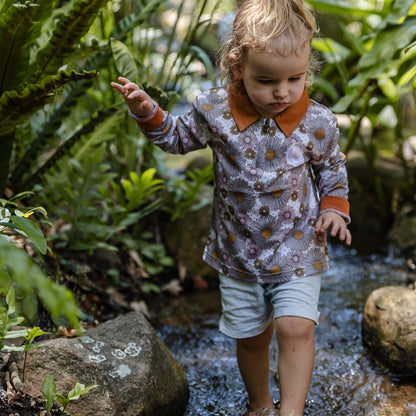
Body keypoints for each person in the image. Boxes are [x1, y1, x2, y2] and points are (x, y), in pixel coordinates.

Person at [111, 0, 352, 414]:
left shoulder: (317, 121)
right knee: (252, 336)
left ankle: (291, 411)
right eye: (267, 80)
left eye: (295, 78)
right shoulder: (214, 110)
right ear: (237, 66)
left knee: (296, 327)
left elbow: (332, 167)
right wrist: (148, 112)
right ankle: (259, 404)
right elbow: (176, 139)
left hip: (298, 247)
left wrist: (334, 209)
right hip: (238, 251)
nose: (283, 92)